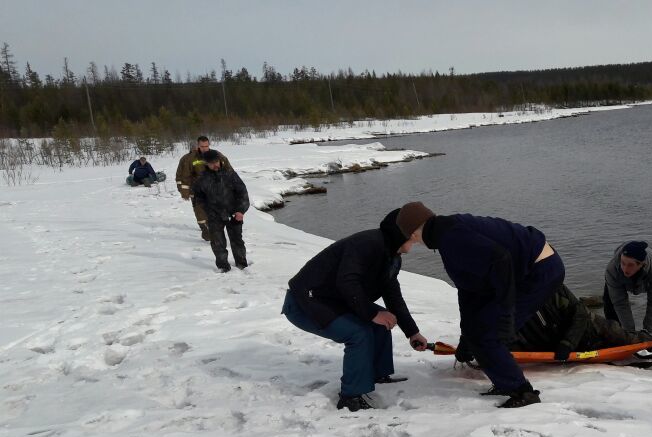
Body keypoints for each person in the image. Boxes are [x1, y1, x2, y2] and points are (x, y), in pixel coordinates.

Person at [397, 202, 564, 408]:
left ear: (413, 233)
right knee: (479, 330)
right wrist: (466, 337)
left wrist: (506, 314)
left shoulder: (452, 236)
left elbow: (501, 260)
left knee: (490, 333)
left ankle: (523, 393)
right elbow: (469, 291)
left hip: (540, 270)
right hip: (525, 271)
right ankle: (505, 383)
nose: (414, 242)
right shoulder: (446, 235)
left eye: (410, 237)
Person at [281, 209, 429, 412]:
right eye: (415, 235)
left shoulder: (391, 255)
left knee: (384, 321)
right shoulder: (366, 244)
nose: (417, 241)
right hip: (305, 302)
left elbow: (393, 297)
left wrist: (412, 332)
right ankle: (350, 397)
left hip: (335, 299)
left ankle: (376, 373)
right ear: (402, 233)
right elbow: (347, 282)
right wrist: (373, 314)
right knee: (358, 333)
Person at [510, 283, 652, 358]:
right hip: (552, 347)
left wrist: (567, 343)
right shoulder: (506, 302)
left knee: (624, 336)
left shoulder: (550, 287)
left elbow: (580, 314)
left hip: (590, 331)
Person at [191, 150, 249, 272]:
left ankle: (242, 265)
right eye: (212, 163)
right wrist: (207, 210)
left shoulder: (230, 174)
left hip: (233, 213)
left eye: (216, 161)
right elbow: (198, 198)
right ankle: (223, 267)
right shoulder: (202, 179)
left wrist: (240, 211)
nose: (215, 165)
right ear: (206, 163)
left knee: (237, 240)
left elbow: (242, 193)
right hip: (214, 216)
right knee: (218, 243)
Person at [602, 240, 652, 339]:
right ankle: (615, 339)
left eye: (630, 265)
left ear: (642, 264)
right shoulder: (612, 269)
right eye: (623, 263)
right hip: (617, 278)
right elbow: (620, 303)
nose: (625, 269)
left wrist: (646, 331)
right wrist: (631, 334)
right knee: (609, 303)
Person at [175, 136, 233, 241]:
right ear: (198, 145)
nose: (205, 148)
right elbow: (183, 176)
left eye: (207, 146)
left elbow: (228, 170)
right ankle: (206, 231)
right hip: (197, 190)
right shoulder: (190, 158)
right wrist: (184, 190)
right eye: (202, 146)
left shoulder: (217, 155)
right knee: (200, 212)